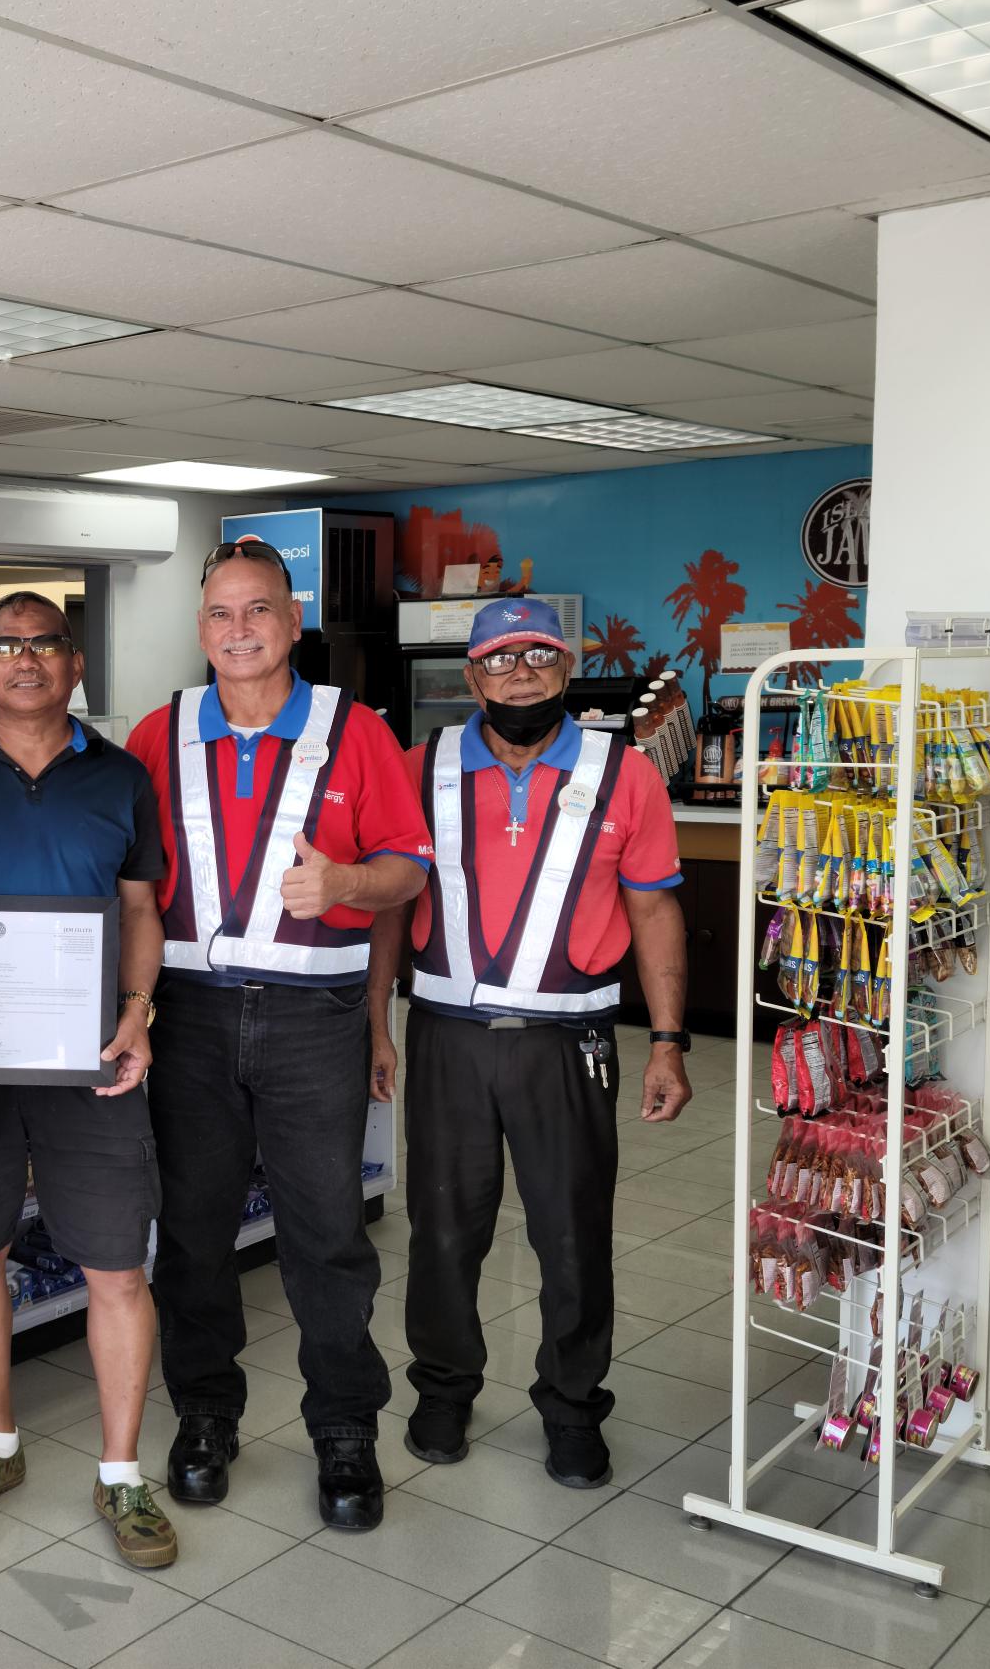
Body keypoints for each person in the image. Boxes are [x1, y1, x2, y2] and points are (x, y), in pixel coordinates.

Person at [124, 534, 431, 1532]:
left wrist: (346, 882)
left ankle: (344, 1430)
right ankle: (204, 1416)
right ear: (200, 628)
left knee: (326, 1235)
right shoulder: (157, 735)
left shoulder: (357, 732)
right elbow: (125, 885)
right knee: (193, 1234)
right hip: (189, 1017)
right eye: (220, 613)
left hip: (314, 1019)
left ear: (293, 622)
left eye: (258, 609)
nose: (239, 628)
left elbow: (408, 870)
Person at [367, 597, 692, 1488]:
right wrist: (376, 1021)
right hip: (447, 1036)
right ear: (472, 678)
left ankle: (574, 1407)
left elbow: (654, 909)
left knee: (572, 1235)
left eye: (539, 657)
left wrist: (668, 1042)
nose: (520, 675)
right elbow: (390, 903)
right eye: (500, 660)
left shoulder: (625, 774)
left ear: (566, 668)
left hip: (568, 1041)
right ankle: (443, 1389)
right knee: (442, 1231)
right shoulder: (420, 768)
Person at [0, 592, 175, 1568]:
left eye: (43, 643)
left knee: (115, 1266)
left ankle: (122, 1473)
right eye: (4, 644)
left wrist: (136, 1011)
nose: (24, 659)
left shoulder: (121, 778)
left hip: (92, 1060)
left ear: (73, 663)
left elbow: (141, 910)